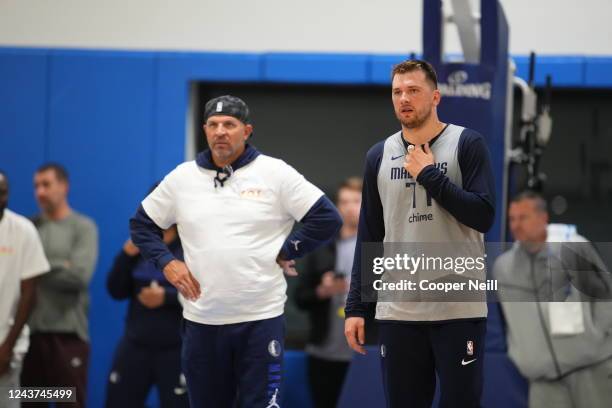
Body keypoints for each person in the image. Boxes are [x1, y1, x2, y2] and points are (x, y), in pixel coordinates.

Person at [129, 95, 342, 408]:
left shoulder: (275, 173)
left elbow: (327, 218)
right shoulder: (182, 178)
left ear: (247, 130)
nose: (220, 131)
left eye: (229, 124)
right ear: (204, 130)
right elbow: (141, 225)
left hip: (260, 320)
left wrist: (289, 248)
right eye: (213, 125)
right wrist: (167, 263)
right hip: (202, 322)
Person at [344, 60, 496, 408]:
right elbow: (370, 236)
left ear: (436, 96)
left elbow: (484, 215)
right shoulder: (379, 156)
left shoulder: (467, 144)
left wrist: (429, 175)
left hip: (458, 310)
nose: (404, 98)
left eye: (413, 90)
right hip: (399, 314)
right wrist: (356, 306)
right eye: (397, 92)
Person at [493, 191, 612, 408]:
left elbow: (605, 298)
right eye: (512, 218)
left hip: (590, 370)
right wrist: (520, 352)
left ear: (543, 218)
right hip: (542, 382)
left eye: (523, 217)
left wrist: (598, 338)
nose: (516, 225)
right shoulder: (504, 268)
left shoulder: (573, 248)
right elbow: (505, 319)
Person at [21, 163, 98, 408]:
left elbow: (78, 278)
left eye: (46, 184)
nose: (40, 192)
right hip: (30, 340)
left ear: (64, 187)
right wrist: (60, 265)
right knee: (28, 403)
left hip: (67, 339)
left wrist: (36, 264)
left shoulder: (83, 227)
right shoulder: (28, 228)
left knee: (68, 403)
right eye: (36, 186)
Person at [105, 216, 188, 408]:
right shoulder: (140, 246)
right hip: (136, 344)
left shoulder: (190, 249)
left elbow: (204, 294)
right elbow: (115, 290)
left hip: (175, 348)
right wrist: (125, 256)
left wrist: (166, 298)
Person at [295, 177, 362, 408]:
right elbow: (300, 298)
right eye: (344, 201)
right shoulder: (320, 245)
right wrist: (321, 291)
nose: (350, 207)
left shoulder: (379, 245)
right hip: (323, 350)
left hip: (365, 350)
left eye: (356, 201)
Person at [0, 171, 50, 408]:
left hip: (10, 346)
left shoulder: (23, 230)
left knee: (65, 395)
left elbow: (30, 294)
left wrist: (7, 347)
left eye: (3, 193)